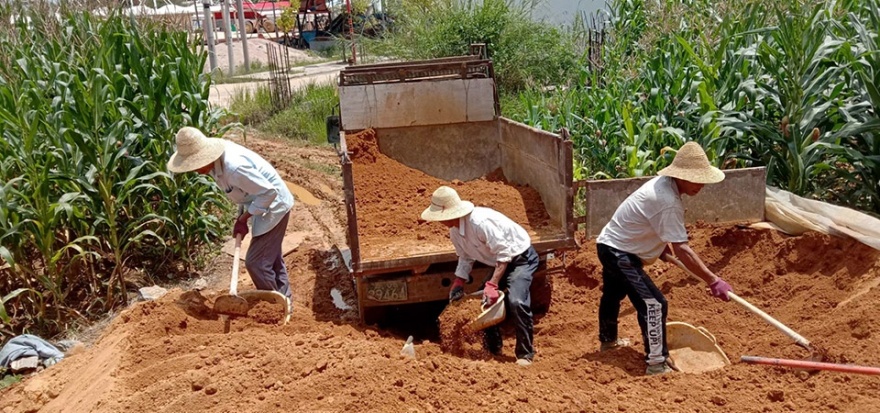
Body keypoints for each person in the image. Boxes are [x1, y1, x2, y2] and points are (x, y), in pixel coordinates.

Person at [595, 141, 734, 376]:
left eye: (702, 180)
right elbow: (683, 250)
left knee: (613, 294)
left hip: (611, 244)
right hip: (620, 252)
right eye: (695, 179)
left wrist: (657, 248)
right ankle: (656, 363)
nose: (700, 185)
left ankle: (608, 342)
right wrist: (713, 280)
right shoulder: (667, 201)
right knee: (654, 304)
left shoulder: (663, 186)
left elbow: (646, 222)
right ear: (680, 176)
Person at [168, 127, 294, 308]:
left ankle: (274, 306)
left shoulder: (234, 168)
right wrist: (241, 216)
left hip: (274, 206)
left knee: (257, 263)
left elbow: (269, 193)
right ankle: (285, 301)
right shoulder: (214, 164)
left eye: (196, 164)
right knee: (270, 258)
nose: (195, 170)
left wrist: (245, 218)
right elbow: (243, 192)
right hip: (260, 203)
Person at [421, 186, 538, 366]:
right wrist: (459, 281)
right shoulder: (455, 232)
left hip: (521, 257)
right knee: (483, 304)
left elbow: (504, 253)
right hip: (499, 260)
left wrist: (492, 284)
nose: (440, 222)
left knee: (516, 301)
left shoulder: (480, 223)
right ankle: (494, 349)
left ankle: (525, 354)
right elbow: (465, 257)